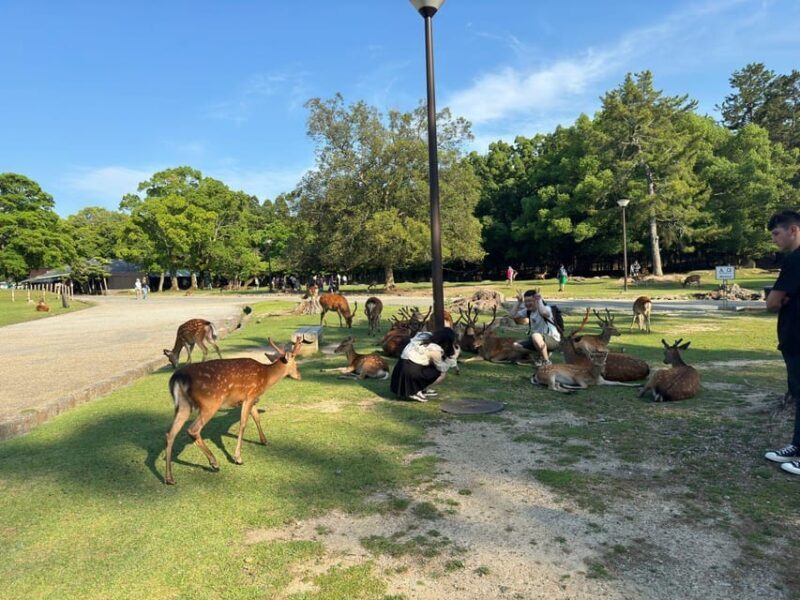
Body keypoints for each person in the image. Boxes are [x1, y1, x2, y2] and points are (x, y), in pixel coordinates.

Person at [765, 210, 800, 475]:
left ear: (793, 230)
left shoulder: (795, 260)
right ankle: (797, 445)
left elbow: (772, 302)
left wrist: (782, 300)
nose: (774, 239)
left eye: (777, 233)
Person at [390, 328, 460, 402]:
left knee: (430, 366)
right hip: (410, 372)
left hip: (399, 369)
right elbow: (442, 368)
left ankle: (417, 389)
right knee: (441, 373)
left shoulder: (424, 337)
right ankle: (415, 391)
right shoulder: (434, 349)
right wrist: (454, 357)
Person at [510, 289, 562, 367]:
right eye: (526, 301)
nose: (527, 303)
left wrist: (539, 300)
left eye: (530, 301)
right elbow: (512, 315)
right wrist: (519, 302)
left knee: (535, 336)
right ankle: (540, 355)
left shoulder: (546, 308)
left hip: (553, 340)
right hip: (538, 340)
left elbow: (543, 313)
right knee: (516, 345)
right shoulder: (528, 311)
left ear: (536, 300)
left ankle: (546, 361)